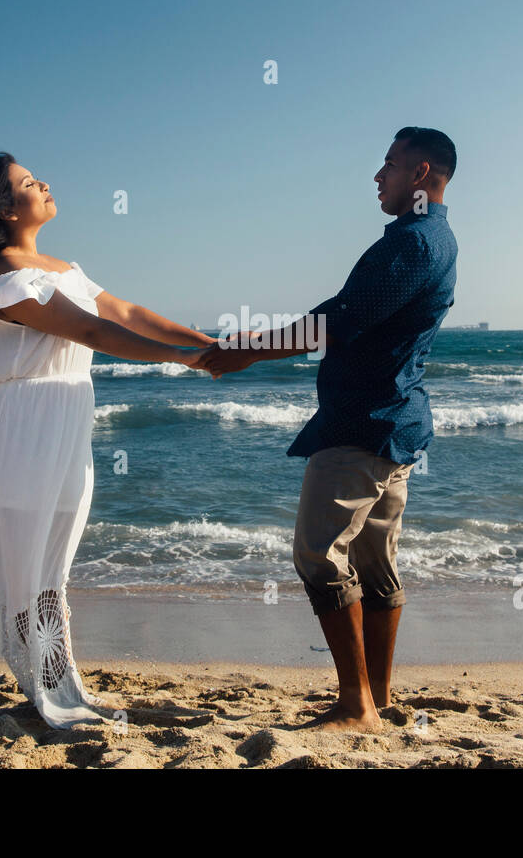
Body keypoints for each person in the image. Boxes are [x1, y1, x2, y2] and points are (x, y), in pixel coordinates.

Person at [0, 152, 213, 727]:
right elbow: (89, 329)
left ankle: (59, 679)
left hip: (67, 414)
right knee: (28, 559)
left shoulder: (64, 268)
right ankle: (42, 684)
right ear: (8, 211)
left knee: (56, 558)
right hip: (24, 423)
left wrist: (207, 344)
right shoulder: (6, 279)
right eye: (29, 183)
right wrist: (187, 360)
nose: (45, 185)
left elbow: (127, 311)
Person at [199, 127, 458, 732]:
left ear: (420, 173)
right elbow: (344, 318)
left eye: (388, 165)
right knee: (374, 564)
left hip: (362, 426)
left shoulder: (415, 245)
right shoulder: (428, 239)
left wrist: (247, 352)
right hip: (393, 422)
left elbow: (336, 322)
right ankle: (378, 698)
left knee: (318, 557)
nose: (378, 176)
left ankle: (355, 706)